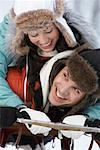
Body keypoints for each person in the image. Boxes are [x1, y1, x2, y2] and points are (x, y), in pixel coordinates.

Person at [0, 0, 99, 108]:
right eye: (34, 34)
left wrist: (86, 117)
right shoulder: (15, 42)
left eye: (48, 31)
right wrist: (16, 106)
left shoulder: (83, 52)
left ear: (59, 25)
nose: (43, 41)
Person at [1, 48, 100, 149]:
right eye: (65, 75)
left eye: (76, 90)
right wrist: (16, 110)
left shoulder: (84, 107)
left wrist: (90, 120)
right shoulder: (20, 85)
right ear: (60, 68)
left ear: (86, 99)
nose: (63, 90)